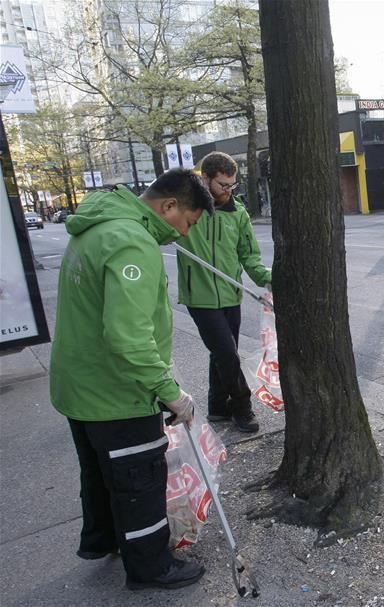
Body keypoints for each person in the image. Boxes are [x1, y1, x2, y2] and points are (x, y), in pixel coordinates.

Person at [49, 169, 214, 589]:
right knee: (138, 482)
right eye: (188, 223)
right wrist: (170, 393)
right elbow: (128, 336)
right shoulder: (132, 241)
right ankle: (150, 566)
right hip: (117, 392)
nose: (184, 234)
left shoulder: (97, 226)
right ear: (169, 206)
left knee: (101, 473)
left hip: (80, 386)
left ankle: (103, 540)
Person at [176, 152, 271, 433]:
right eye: (222, 185)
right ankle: (242, 407)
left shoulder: (237, 213)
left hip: (231, 294)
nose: (228, 191)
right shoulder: (186, 207)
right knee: (227, 353)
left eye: (232, 186)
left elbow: (249, 256)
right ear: (205, 178)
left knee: (221, 353)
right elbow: (157, 222)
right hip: (200, 297)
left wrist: (267, 279)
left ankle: (217, 407)